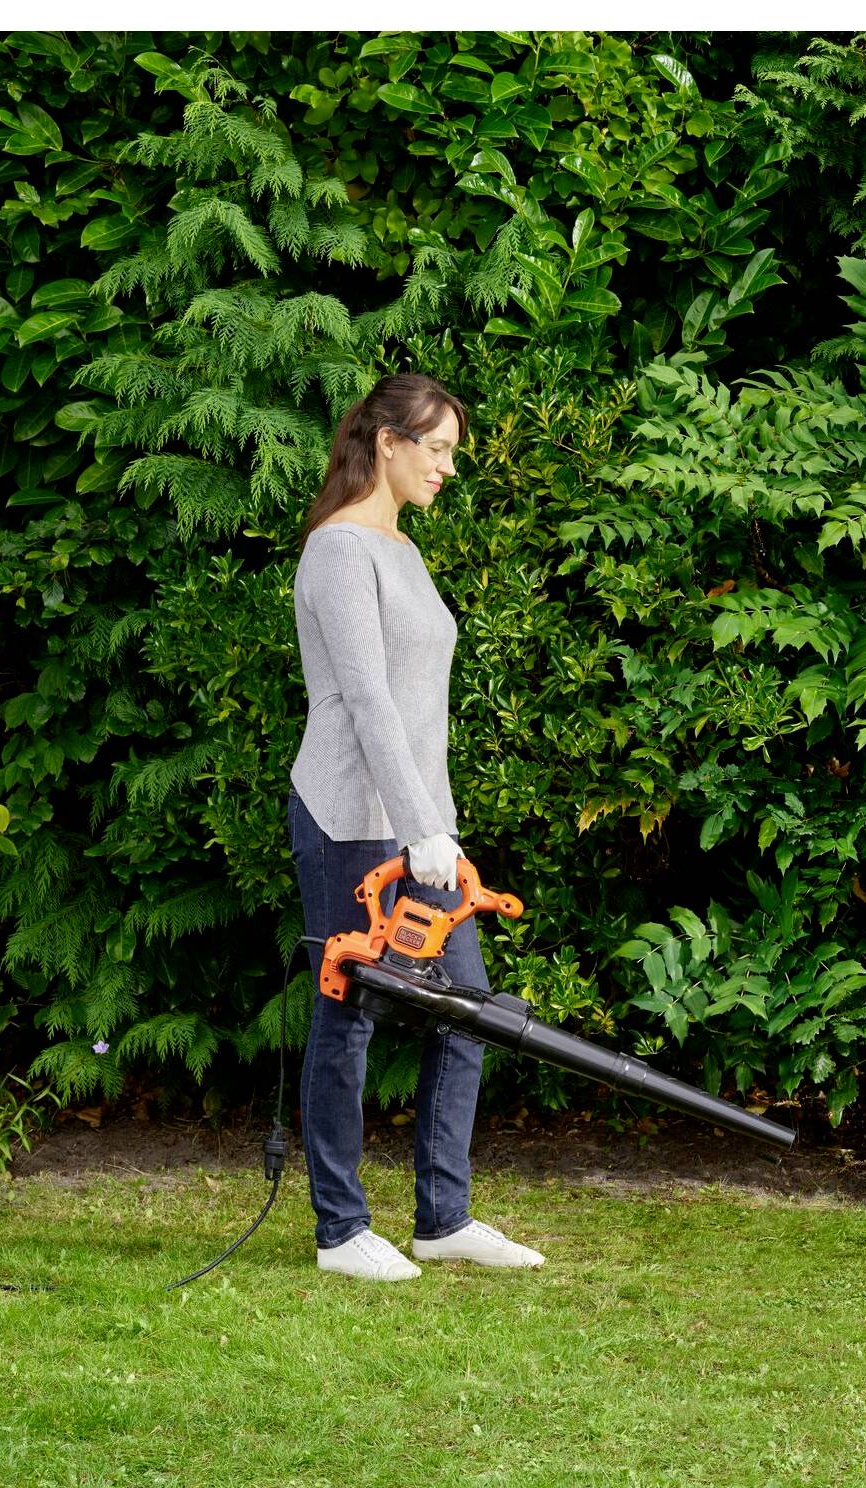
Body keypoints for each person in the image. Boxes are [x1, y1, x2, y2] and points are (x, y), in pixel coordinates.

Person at [286, 371, 543, 1282]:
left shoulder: (401, 549)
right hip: (349, 819)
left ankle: (443, 1215)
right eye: (433, 447)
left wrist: (438, 828)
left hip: (422, 825)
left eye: (450, 453)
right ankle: (341, 1229)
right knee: (348, 1015)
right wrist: (416, 824)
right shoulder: (337, 552)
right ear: (385, 441)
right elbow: (363, 703)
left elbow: (416, 705)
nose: (444, 467)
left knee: (467, 1012)